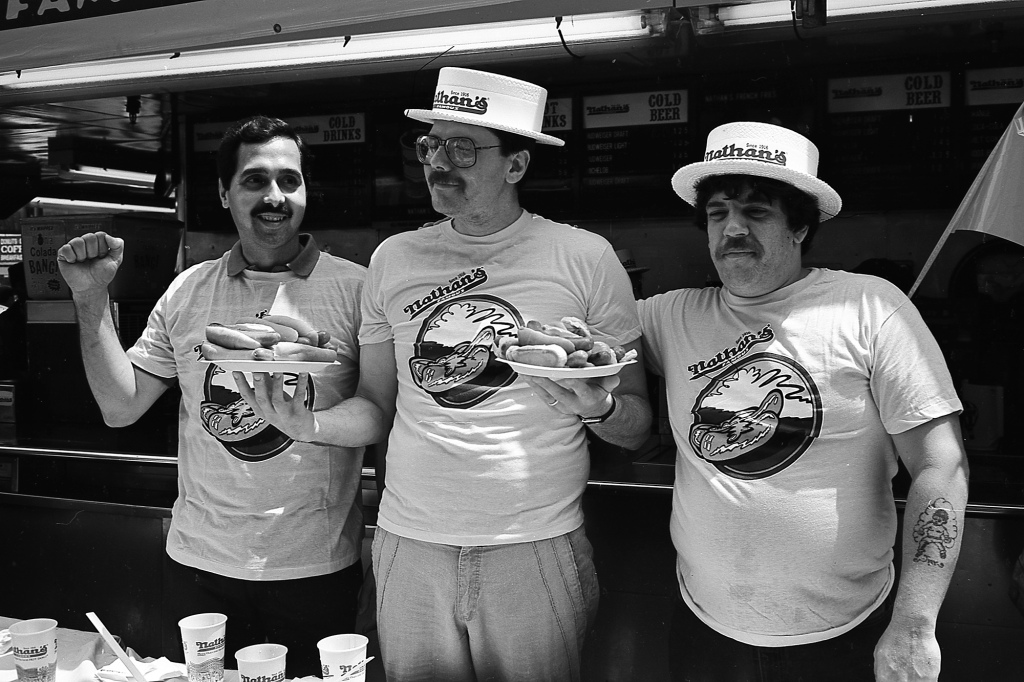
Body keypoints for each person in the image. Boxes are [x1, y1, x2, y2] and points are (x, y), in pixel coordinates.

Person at [246, 67, 652, 681]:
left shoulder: (585, 258)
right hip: (410, 545)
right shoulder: (395, 258)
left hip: (534, 544)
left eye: (463, 148)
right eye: (430, 145)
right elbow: (378, 406)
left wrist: (597, 407)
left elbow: (638, 427)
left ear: (516, 166)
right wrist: (310, 425)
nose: (439, 162)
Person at [634, 121, 969, 681]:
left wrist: (914, 622)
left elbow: (940, 465)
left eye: (756, 212)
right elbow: (586, 337)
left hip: (846, 634)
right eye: (717, 214)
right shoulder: (670, 315)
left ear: (800, 227)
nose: (731, 229)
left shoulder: (869, 307)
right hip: (705, 630)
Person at [55, 115, 367, 678]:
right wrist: (91, 296)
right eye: (254, 181)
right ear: (224, 193)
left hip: (314, 567)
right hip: (199, 564)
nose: (275, 196)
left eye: (288, 181)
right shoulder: (189, 290)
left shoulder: (357, 289)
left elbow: (382, 414)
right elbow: (120, 407)